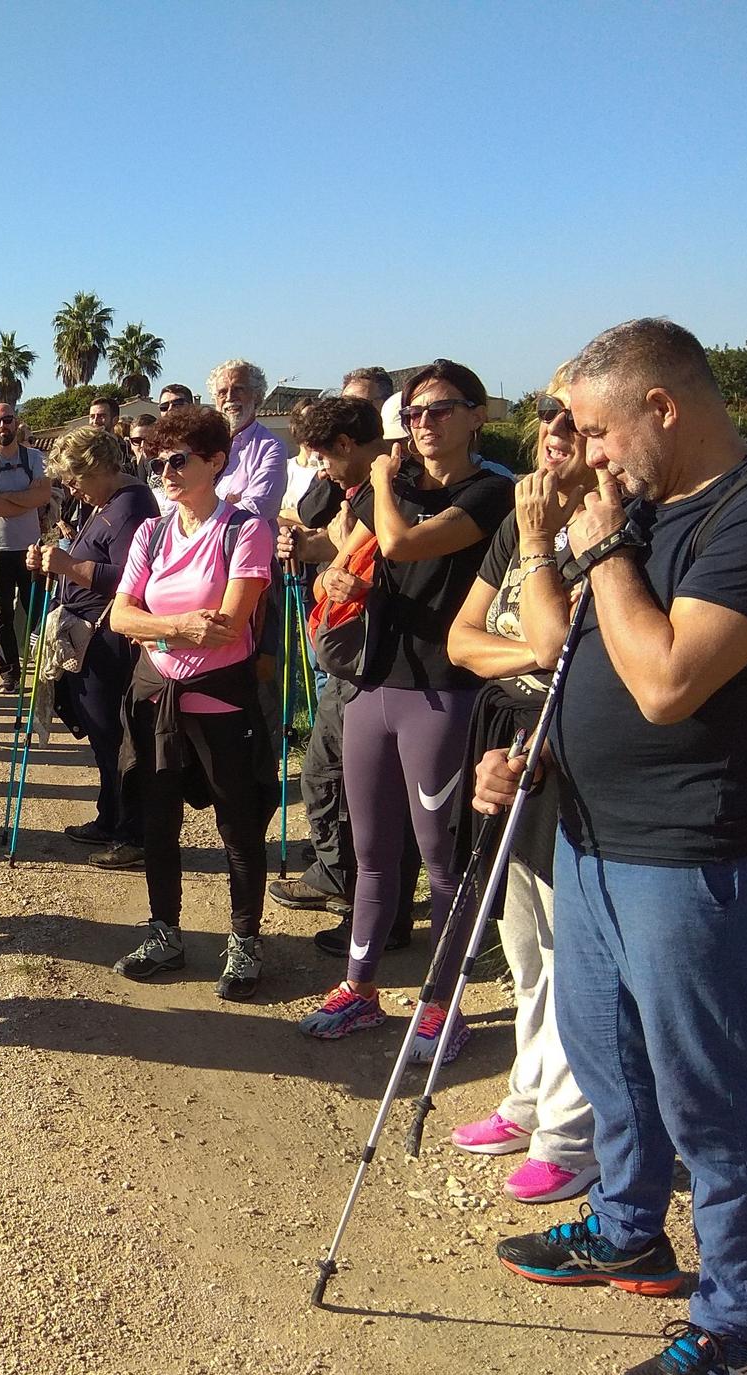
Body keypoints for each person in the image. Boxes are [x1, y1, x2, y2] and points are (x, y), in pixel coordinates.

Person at [478, 319, 747, 1375]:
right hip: (585, 826)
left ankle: (737, 1328)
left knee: (705, 1092)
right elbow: (576, 654)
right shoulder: (632, 511)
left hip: (688, 844)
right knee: (605, 1052)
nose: (581, 452)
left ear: (661, 407)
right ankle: (626, 1229)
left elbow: (668, 680)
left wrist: (601, 545)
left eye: (592, 428)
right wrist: (526, 753)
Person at [294, 364, 513, 1061]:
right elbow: (352, 553)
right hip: (372, 684)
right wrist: (331, 570)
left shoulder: (491, 491)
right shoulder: (398, 487)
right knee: (371, 853)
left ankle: (442, 1004)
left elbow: (403, 544)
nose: (424, 423)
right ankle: (360, 989)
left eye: (441, 410)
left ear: (476, 416)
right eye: (414, 412)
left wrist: (381, 484)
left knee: (441, 859)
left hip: (444, 693)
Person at [441, 366, 598, 1205]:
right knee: (523, 938)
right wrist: (533, 654)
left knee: (575, 951)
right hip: (506, 730)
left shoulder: (607, 527)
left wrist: (544, 648)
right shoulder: (522, 520)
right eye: (545, 415)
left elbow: (573, 644)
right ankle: (530, 1096)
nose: (552, 431)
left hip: (571, 747)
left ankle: (574, 1136)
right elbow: (466, 639)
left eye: (572, 418)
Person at [107, 404, 276, 999]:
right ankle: (164, 932)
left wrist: (153, 626)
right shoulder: (151, 533)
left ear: (215, 462)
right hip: (158, 695)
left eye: (179, 460)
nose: (167, 473)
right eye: (158, 464)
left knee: (238, 823)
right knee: (158, 822)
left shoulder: (245, 530)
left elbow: (229, 627)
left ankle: (244, 940)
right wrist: (177, 627)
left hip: (220, 699)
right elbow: (120, 615)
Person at [271, 379, 424, 950]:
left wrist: (348, 577)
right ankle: (359, 897)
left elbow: (393, 560)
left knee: (344, 781)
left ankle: (363, 902)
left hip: (379, 665)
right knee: (343, 779)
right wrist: (307, 547)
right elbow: (338, 543)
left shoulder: (392, 489)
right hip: (362, 661)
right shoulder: (365, 491)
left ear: (349, 443)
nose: (323, 469)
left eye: (326, 455)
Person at [30, 426, 155, 868]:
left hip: (111, 639)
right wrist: (52, 563)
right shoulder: (103, 504)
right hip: (88, 634)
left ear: (100, 467)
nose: (72, 487)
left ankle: (132, 833)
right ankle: (110, 818)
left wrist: (69, 565)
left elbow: (129, 577)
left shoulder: (132, 505)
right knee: (102, 736)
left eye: (76, 477)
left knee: (117, 737)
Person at [0, 401, 54, 694]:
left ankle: (40, 661)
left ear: (16, 423)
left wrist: (6, 496)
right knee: (1, 614)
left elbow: (43, 495)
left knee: (36, 609)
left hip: (29, 547)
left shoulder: (34, 457)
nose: (2, 426)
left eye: (7, 420)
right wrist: (24, 498)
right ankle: (10, 674)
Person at [210, 360, 287, 524]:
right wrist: (227, 503)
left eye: (238, 389)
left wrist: (206, 509)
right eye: (222, 392)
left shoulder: (271, 448)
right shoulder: (203, 444)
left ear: (257, 395)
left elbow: (257, 509)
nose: (230, 398)